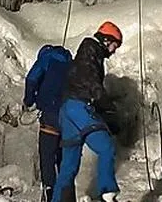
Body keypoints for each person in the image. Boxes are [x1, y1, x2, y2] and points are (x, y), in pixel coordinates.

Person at [51, 22, 123, 202]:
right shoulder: (91, 51)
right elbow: (91, 84)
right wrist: (109, 108)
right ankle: (107, 193)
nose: (114, 50)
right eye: (115, 45)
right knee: (106, 147)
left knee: (69, 165)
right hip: (78, 107)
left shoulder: (87, 53)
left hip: (67, 110)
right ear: (107, 40)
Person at [25, 44, 74, 202]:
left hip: (51, 115)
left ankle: (49, 194)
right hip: (69, 118)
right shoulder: (71, 63)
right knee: (63, 158)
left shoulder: (46, 58)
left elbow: (32, 78)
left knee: (47, 156)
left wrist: (29, 100)